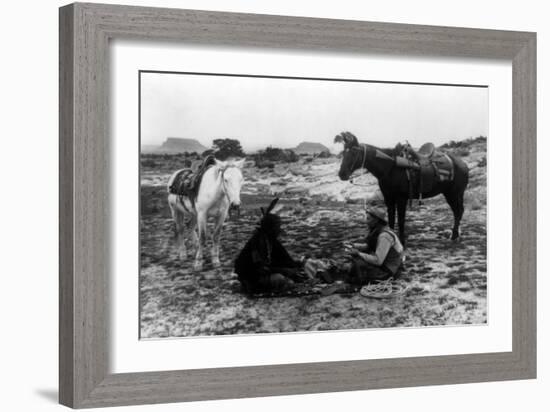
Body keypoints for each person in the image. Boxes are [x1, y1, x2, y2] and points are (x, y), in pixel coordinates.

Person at [234, 198, 303, 294]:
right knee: (283, 280)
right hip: (251, 278)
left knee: (295, 274)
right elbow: (260, 269)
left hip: (260, 273)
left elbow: (282, 257)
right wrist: (285, 271)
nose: (279, 230)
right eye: (277, 227)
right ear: (270, 229)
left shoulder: (270, 240)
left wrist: (296, 265)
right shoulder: (258, 243)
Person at [345, 205, 405, 285]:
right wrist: (354, 245)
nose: (366, 221)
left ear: (376, 220)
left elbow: (378, 261)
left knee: (357, 265)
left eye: (368, 219)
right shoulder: (378, 230)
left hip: (390, 271)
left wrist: (359, 253)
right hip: (387, 265)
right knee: (355, 264)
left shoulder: (384, 236)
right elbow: (371, 246)